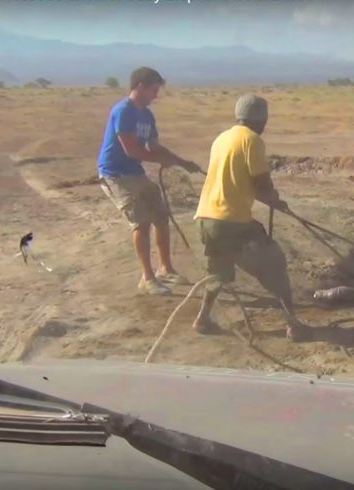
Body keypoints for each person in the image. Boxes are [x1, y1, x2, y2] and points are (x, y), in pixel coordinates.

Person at [192, 94, 312, 341]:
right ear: (262, 119)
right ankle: (292, 324)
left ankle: (202, 318)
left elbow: (239, 181)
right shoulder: (253, 140)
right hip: (233, 221)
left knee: (218, 273)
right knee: (275, 263)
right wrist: (275, 201)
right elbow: (260, 182)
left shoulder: (222, 138)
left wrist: (270, 199)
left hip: (206, 218)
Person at [97, 66, 202, 296]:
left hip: (134, 172)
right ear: (141, 87)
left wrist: (181, 162)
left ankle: (166, 269)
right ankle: (147, 278)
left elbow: (153, 147)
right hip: (115, 174)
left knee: (161, 216)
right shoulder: (123, 111)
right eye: (154, 90)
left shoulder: (147, 115)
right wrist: (162, 160)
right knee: (141, 222)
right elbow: (133, 150)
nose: (156, 95)